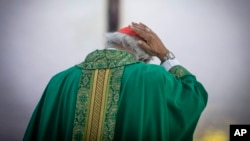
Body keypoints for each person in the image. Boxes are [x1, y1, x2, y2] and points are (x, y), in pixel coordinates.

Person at [23, 22, 208, 141]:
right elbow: (194, 95)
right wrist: (164, 54)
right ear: (143, 56)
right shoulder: (153, 76)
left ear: (111, 44)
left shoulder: (60, 81)